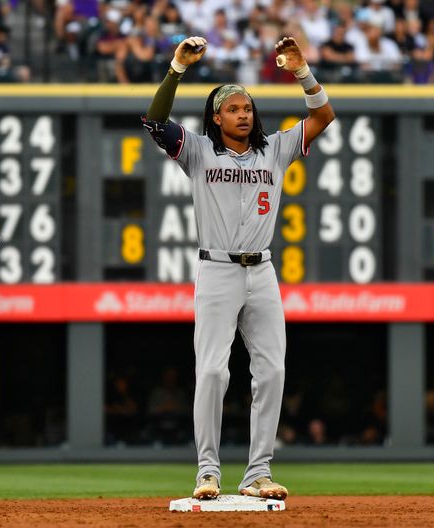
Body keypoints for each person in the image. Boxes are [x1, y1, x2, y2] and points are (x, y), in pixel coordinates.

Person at [142, 35, 334, 500]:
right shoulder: (199, 152)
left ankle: (258, 474)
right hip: (218, 269)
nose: (243, 113)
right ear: (216, 116)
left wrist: (302, 73)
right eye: (233, 108)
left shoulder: (276, 150)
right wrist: (176, 69)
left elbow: (323, 116)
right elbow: (154, 121)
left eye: (247, 107)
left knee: (271, 372)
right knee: (212, 373)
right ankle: (207, 471)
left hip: (262, 270)